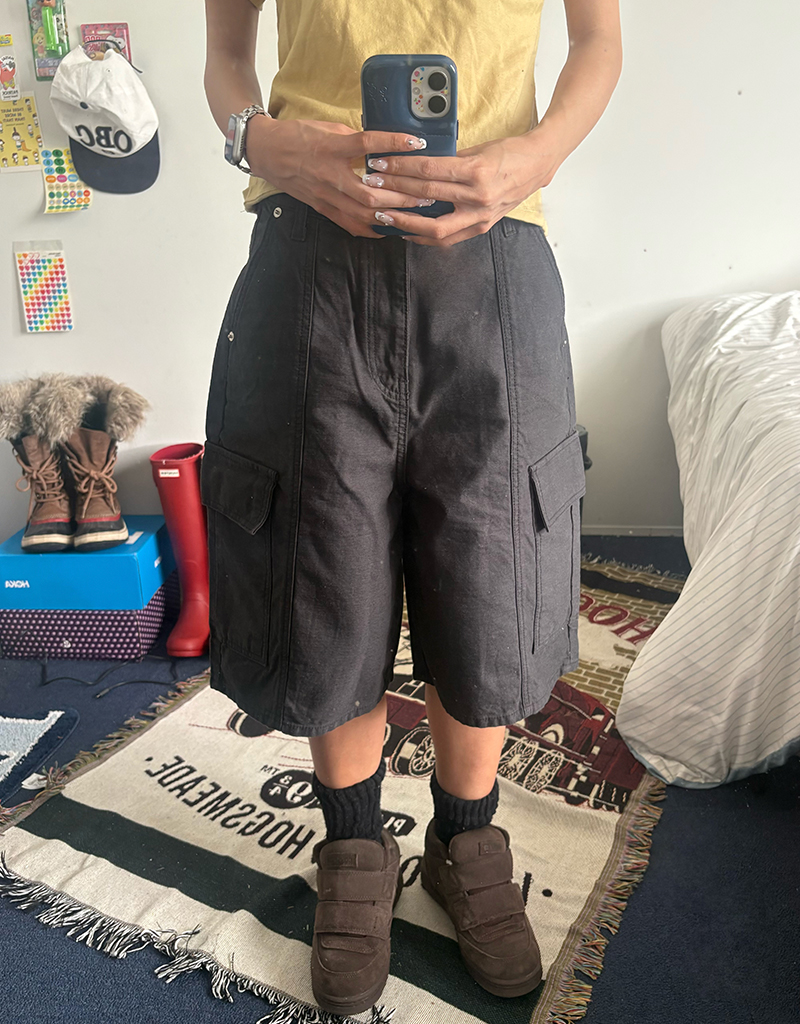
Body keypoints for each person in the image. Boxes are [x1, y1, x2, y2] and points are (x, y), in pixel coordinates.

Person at [202, 0, 622, 1014]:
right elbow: (224, 52)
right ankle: (353, 845)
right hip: (307, 259)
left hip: (495, 260)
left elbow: (598, 39)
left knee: (489, 572)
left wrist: (534, 159)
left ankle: (465, 837)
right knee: (323, 567)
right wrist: (261, 140)